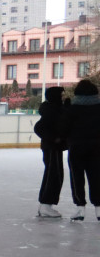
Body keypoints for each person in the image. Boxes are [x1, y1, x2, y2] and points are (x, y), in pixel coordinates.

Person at [62, 79, 100, 222]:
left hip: (77, 147)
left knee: (77, 177)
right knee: (96, 177)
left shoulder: (72, 109)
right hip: (97, 148)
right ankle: (99, 208)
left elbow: (63, 128)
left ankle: (80, 208)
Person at [34, 86, 67, 218]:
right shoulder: (51, 110)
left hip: (53, 147)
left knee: (54, 174)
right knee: (54, 175)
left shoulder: (54, 108)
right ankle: (46, 205)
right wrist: (54, 139)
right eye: (61, 95)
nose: (63, 98)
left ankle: (45, 204)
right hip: (51, 147)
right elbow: (39, 128)